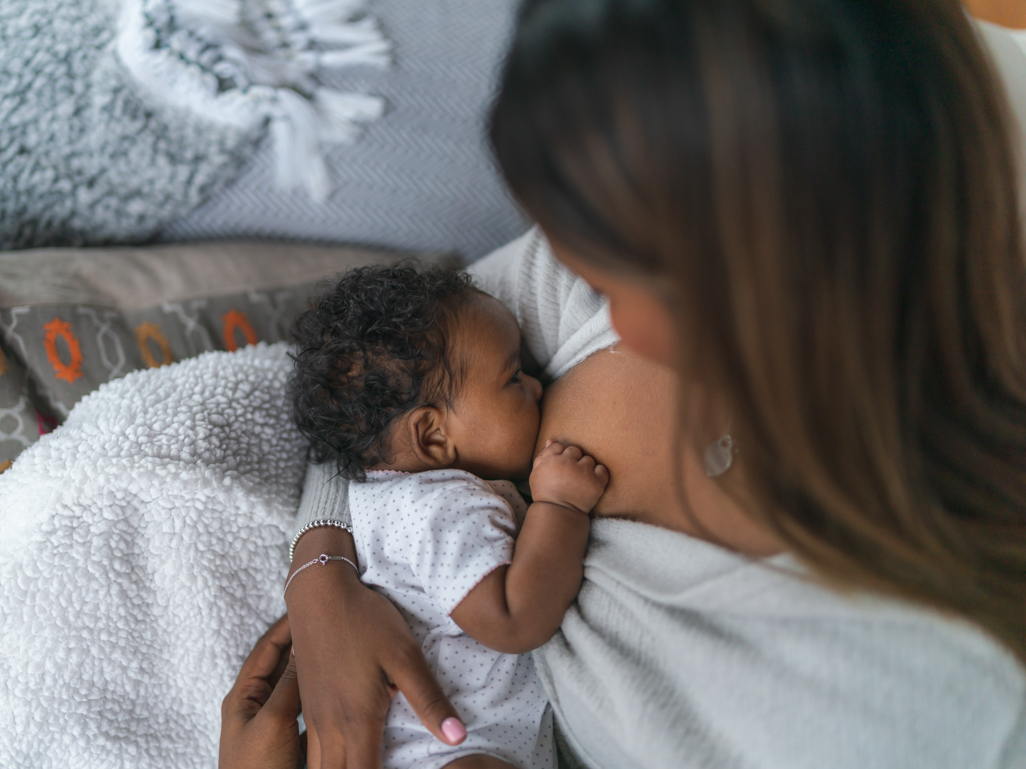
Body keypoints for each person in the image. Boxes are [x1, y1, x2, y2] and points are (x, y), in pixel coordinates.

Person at [231, 1, 1026, 767]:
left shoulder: (927, 706)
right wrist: (322, 570)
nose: (616, 324)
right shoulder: (692, 142)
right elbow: (383, 380)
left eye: (622, 282)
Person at [284, 265, 607, 769]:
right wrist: (560, 508)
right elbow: (512, 619)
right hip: (448, 750)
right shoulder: (444, 507)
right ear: (433, 436)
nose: (538, 387)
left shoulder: (383, 494)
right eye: (513, 378)